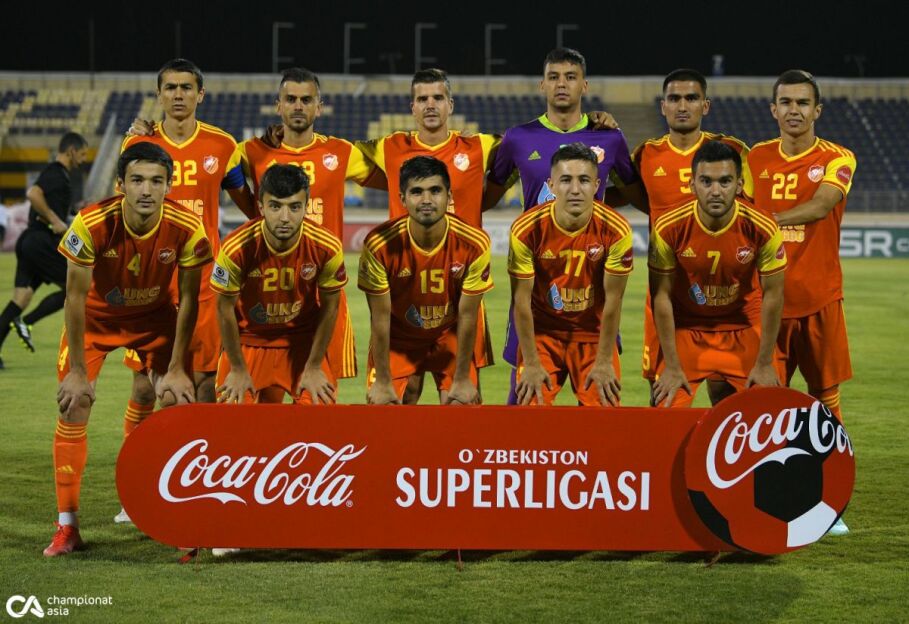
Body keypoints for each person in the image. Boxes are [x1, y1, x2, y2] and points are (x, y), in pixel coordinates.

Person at [44, 142, 210, 556]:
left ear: (169, 186)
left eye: (156, 181)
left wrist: (177, 367)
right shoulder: (91, 223)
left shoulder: (188, 226)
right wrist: (78, 371)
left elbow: (189, 300)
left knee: (176, 399)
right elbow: (74, 298)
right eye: (137, 180)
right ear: (121, 184)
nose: (146, 190)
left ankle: (175, 514)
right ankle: (67, 526)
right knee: (75, 402)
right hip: (96, 322)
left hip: (154, 321)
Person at [114, 59, 255, 524]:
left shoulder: (223, 145)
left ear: (201, 95)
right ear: (159, 95)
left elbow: (251, 207)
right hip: (151, 286)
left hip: (205, 284)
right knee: (144, 385)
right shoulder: (138, 145)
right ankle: (135, 486)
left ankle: (199, 482)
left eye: (187, 88)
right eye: (171, 87)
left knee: (205, 383)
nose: (178, 95)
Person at [483, 47, 644, 404]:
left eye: (570, 77)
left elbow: (636, 195)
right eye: (553, 77)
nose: (561, 84)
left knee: (601, 407)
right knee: (526, 401)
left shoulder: (609, 137)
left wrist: (592, 201)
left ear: (584, 85)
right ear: (542, 85)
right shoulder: (517, 138)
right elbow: (486, 198)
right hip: (537, 279)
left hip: (591, 285)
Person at [748, 70, 856, 536]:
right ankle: (762, 500)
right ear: (773, 109)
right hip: (766, 305)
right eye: (786, 102)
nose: (794, 110)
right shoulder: (754, 157)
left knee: (825, 403)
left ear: (817, 111)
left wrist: (767, 221)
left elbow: (822, 205)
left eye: (803, 103)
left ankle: (831, 503)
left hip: (819, 300)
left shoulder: (837, 157)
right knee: (766, 407)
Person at [238, 67, 378, 384]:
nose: (298, 106)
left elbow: (396, 174)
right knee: (264, 399)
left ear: (319, 107)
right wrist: (140, 135)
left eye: (306, 100)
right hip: (268, 290)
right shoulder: (253, 151)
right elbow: (214, 166)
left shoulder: (341, 152)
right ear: (278, 106)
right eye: (291, 99)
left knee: (318, 395)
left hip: (322, 291)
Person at [632, 68, 753, 395]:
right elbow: (613, 194)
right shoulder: (646, 155)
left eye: (691, 98)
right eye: (674, 98)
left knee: (725, 395)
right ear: (663, 106)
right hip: (667, 292)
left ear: (705, 105)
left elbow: (754, 215)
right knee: (664, 395)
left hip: (724, 294)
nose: (682, 106)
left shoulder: (732, 151)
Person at [649, 141, 786, 409]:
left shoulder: (763, 227)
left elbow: (774, 294)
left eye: (725, 181)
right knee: (665, 410)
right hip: (688, 329)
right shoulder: (668, 227)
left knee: (767, 410)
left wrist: (764, 363)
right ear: (692, 185)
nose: (715, 191)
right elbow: (661, 297)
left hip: (743, 326)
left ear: (739, 184)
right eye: (706, 181)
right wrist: (672, 366)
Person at [358, 156, 492, 405]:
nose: (427, 200)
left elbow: (468, 316)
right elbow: (380, 317)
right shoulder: (379, 245)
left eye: (435, 191)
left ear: (449, 196)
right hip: (399, 336)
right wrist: (383, 381)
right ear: (402, 198)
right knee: (385, 407)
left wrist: (463, 378)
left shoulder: (474, 243)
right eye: (417, 192)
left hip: (450, 333)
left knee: (461, 406)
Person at [509, 143, 633, 406]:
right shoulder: (526, 229)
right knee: (529, 412)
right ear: (551, 185)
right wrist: (531, 363)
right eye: (566, 180)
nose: (575, 189)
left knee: (603, 417)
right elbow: (521, 301)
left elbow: (614, 301)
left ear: (597, 185)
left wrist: (604, 361)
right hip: (543, 335)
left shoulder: (616, 229)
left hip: (593, 336)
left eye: (584, 180)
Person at [213, 164, 346, 405]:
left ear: (306, 207)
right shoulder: (236, 248)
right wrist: (238, 369)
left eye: (294, 207)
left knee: (319, 410)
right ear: (261, 207)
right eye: (275, 206)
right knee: (232, 415)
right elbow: (224, 309)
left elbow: (330, 308)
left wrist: (314, 366)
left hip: (302, 344)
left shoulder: (327, 247)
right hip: (249, 342)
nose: (285, 218)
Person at [0, 133, 88, 368]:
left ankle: (16, 328)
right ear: (71, 151)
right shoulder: (56, 172)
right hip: (41, 240)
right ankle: (26, 322)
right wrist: (54, 220)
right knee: (74, 287)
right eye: (81, 154)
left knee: (21, 298)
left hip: (30, 240)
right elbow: (33, 194)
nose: (83, 159)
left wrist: (71, 218)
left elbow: (57, 211)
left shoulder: (60, 175)